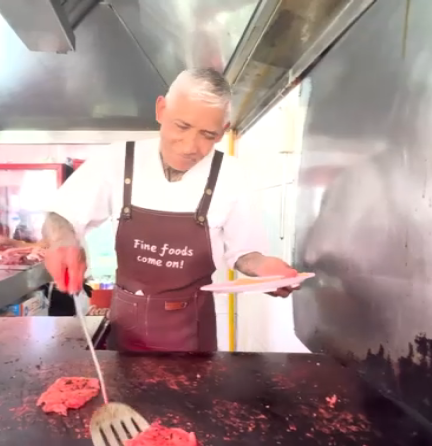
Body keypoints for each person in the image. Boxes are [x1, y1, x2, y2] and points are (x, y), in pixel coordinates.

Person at [43, 67, 300, 352]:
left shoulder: (231, 175)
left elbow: (245, 254)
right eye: (182, 126)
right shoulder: (116, 160)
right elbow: (60, 214)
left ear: (223, 132)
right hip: (126, 327)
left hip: (192, 332)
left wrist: (266, 269)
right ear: (161, 110)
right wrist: (62, 241)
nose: (190, 146)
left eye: (207, 134)